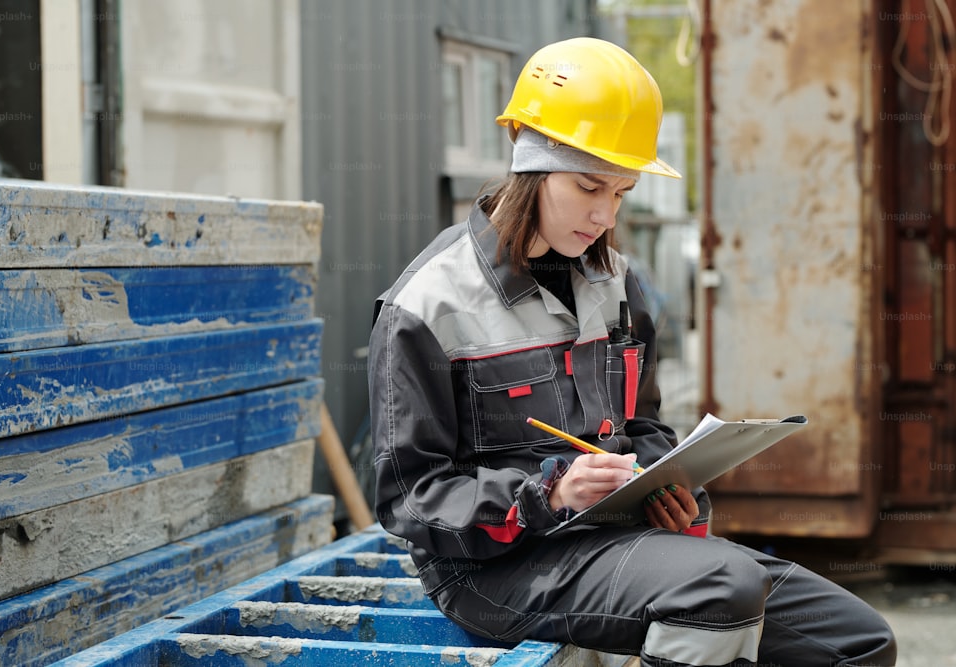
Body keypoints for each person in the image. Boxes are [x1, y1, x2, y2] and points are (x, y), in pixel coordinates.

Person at [369, 37, 896, 666]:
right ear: (532, 165)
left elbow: (641, 425)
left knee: (856, 640)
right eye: (590, 186)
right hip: (494, 568)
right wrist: (550, 493)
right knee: (721, 587)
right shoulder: (428, 304)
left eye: (621, 193)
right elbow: (409, 497)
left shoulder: (617, 283)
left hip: (614, 539)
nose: (604, 213)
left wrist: (661, 484)